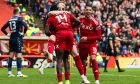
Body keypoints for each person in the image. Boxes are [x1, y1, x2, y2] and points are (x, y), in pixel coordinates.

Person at [44, 1, 90, 84]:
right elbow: (78, 22)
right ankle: (79, 78)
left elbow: (46, 31)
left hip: (60, 35)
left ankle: (60, 82)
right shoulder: (68, 13)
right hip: (69, 34)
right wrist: (69, 27)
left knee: (59, 59)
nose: (63, 4)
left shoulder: (51, 16)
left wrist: (53, 33)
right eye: (62, 4)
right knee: (70, 57)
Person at [78, 5, 101, 84]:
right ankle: (84, 79)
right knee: (83, 62)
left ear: (92, 12)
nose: (88, 11)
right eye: (87, 10)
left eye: (90, 10)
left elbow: (99, 36)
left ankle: (97, 81)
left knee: (93, 59)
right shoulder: (79, 19)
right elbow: (73, 27)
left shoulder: (95, 22)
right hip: (82, 45)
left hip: (92, 44)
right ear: (84, 11)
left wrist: (87, 38)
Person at [1, 8, 28, 77]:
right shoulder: (19, 19)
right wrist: (24, 33)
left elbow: (2, 29)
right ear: (18, 12)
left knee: (11, 56)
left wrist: (7, 34)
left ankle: (9, 73)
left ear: (13, 13)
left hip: (11, 39)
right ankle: (19, 73)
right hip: (17, 38)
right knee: (19, 55)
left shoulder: (10, 19)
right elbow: (26, 26)